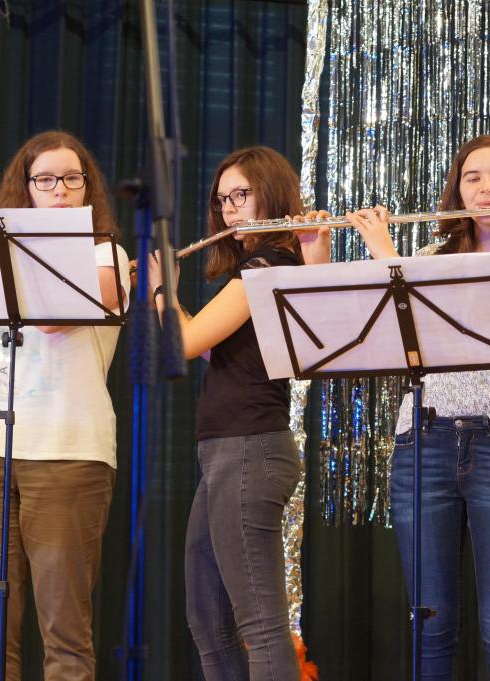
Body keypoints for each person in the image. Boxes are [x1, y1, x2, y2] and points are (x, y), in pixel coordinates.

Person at [347, 134, 490, 681]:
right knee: (429, 624)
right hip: (424, 442)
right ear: (458, 192)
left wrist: (388, 257)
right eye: (473, 178)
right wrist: (387, 260)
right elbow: (397, 344)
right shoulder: (427, 260)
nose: (486, 188)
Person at [0, 130, 130, 681]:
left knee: (64, 632)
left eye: (71, 178)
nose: (59, 190)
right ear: (25, 188)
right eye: (45, 180)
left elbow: (51, 316)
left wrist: (7, 258)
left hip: (69, 452)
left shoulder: (107, 256)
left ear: (87, 188)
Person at [146, 145, 326, 681]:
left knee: (260, 626)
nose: (229, 210)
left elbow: (183, 342)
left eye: (241, 195)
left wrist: (160, 288)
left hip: (250, 449)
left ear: (270, 194)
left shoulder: (267, 265)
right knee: (208, 619)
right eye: (222, 200)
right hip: (227, 452)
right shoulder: (264, 267)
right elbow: (210, 348)